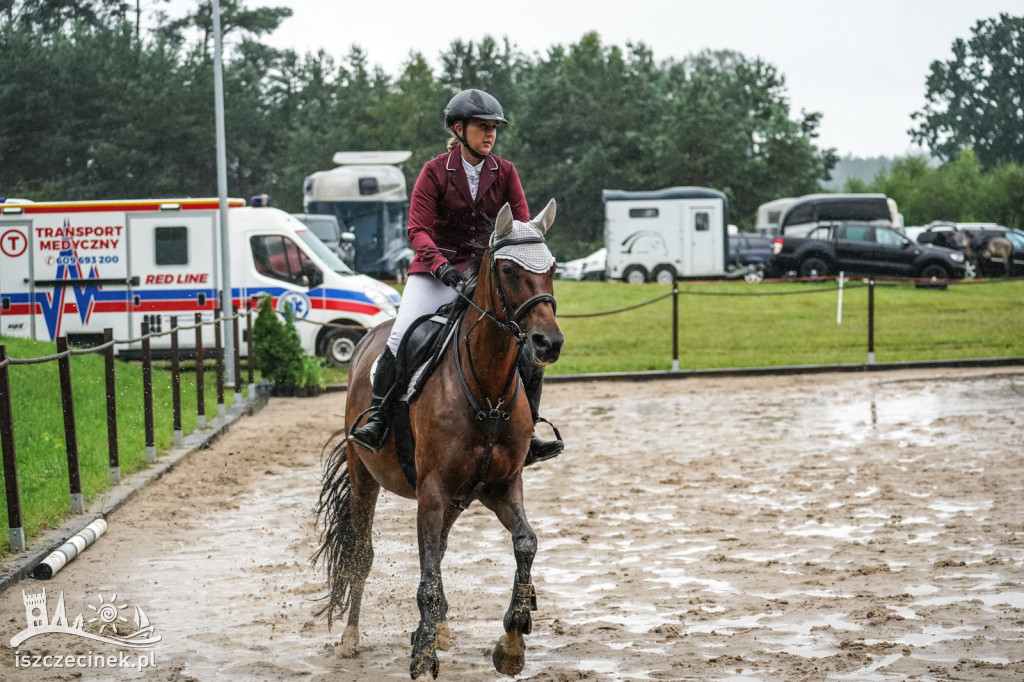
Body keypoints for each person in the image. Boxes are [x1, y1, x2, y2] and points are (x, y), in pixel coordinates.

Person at [349, 88, 563, 465]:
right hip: (436, 272)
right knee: (400, 337)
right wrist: (441, 266)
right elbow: (417, 230)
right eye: (483, 127)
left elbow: (519, 230)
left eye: (494, 128)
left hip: (483, 276)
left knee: (523, 346)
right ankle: (378, 417)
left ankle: (528, 432)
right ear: (459, 129)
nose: (490, 134)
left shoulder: (505, 171)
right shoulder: (434, 172)